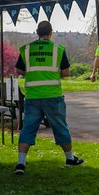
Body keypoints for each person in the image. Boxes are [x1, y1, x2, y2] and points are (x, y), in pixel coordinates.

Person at [12, 21, 83, 175]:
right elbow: (65, 73)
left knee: (28, 129)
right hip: (52, 96)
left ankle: (20, 163)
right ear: (51, 33)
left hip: (32, 96)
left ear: (37, 32)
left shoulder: (26, 49)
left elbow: (18, 70)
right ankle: (70, 158)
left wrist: (32, 72)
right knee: (60, 127)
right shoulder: (58, 49)